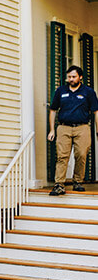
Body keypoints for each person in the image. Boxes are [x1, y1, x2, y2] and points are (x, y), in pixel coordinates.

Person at [48, 65, 98, 195]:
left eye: (73, 77)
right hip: (63, 127)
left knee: (81, 155)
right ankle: (59, 184)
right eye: (69, 77)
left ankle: (78, 181)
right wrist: (52, 130)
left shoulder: (89, 92)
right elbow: (53, 110)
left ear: (80, 77)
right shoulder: (61, 91)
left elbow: (96, 112)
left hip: (82, 128)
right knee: (62, 156)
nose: (71, 79)